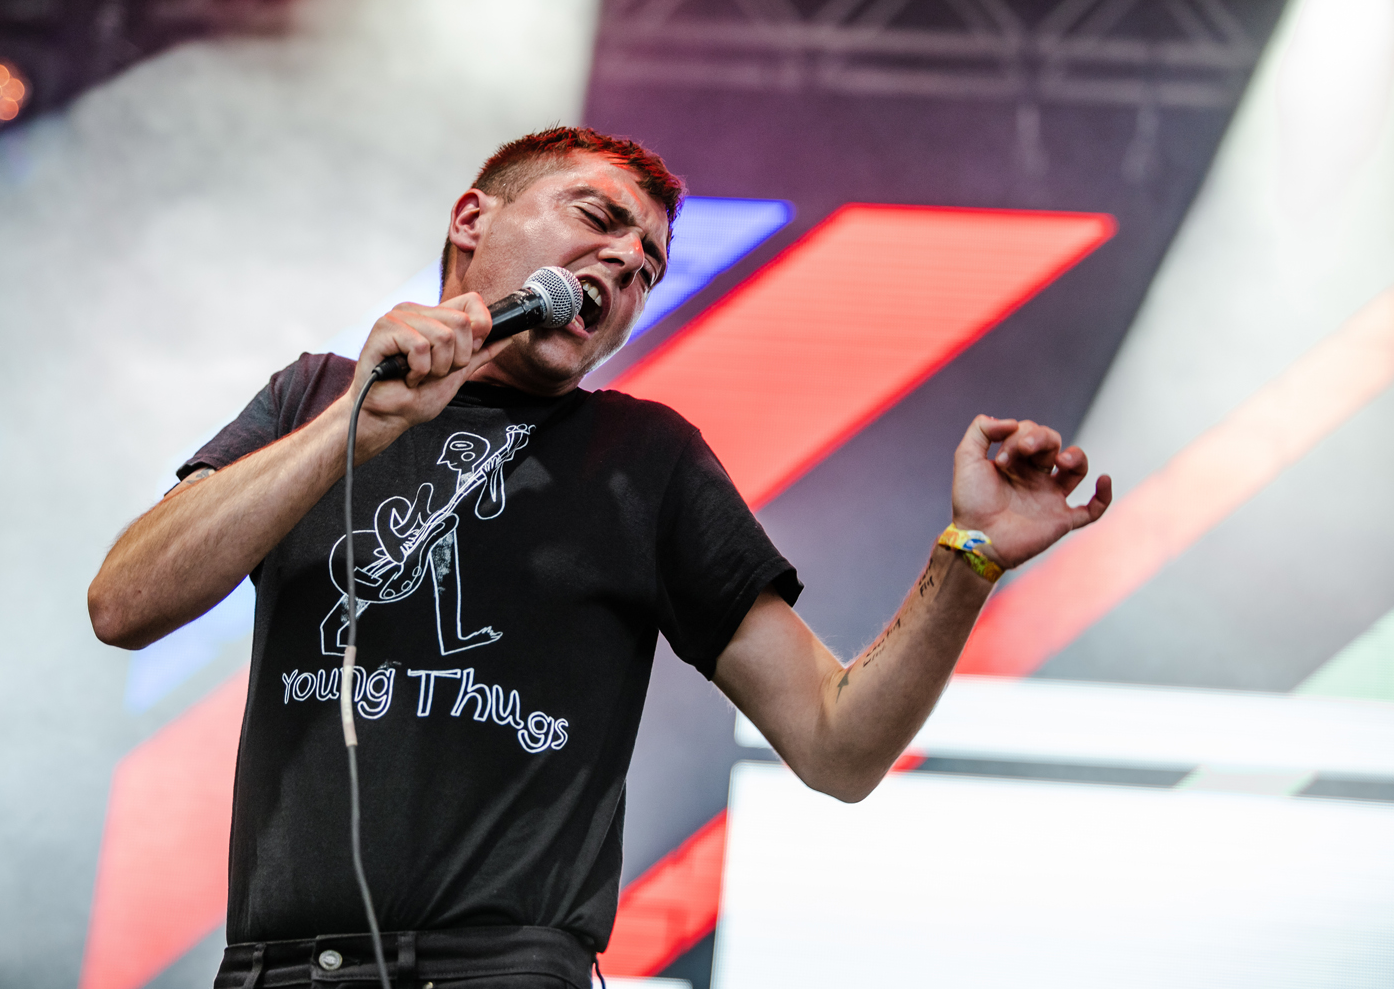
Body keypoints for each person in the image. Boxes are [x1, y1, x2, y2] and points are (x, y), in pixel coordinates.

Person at [88, 127, 1110, 988]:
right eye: (597, 218)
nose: (627, 265)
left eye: (650, 265)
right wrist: (355, 430)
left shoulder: (643, 460)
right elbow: (123, 604)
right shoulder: (316, 397)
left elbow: (837, 745)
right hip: (274, 971)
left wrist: (970, 555)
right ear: (472, 219)